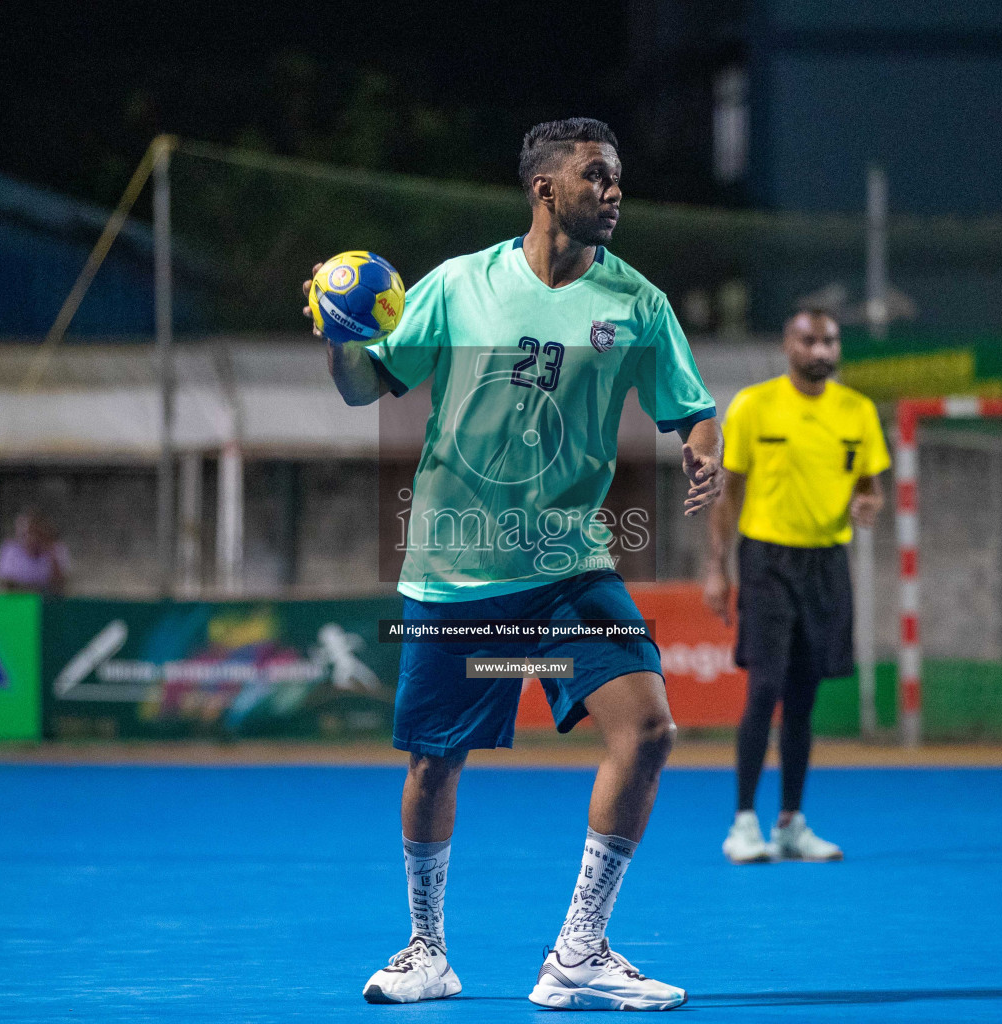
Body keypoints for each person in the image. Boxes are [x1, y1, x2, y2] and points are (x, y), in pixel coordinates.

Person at [303, 118, 721, 1010]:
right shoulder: (460, 286)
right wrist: (338, 334)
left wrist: (703, 448)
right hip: (459, 573)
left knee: (648, 730)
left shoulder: (637, 303)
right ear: (545, 189)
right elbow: (361, 386)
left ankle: (579, 951)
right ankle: (425, 951)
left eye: (618, 177)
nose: (613, 190)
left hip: (571, 565)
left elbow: (690, 403)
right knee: (432, 764)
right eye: (595, 176)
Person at [704, 309, 888, 864]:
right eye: (809, 340)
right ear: (788, 345)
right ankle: (742, 823)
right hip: (766, 562)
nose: (821, 350)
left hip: (828, 565)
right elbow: (727, 493)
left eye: (829, 340)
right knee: (765, 687)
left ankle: (790, 822)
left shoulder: (858, 412)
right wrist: (718, 566)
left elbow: (871, 488)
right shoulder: (755, 406)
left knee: (805, 700)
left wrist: (868, 504)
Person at [0, 510, 68, 596]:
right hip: (19, 599)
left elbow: (60, 585)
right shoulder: (10, 550)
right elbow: (5, 583)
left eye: (35, 532)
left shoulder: (56, 549)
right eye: (25, 534)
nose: (31, 538)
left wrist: (52, 556)